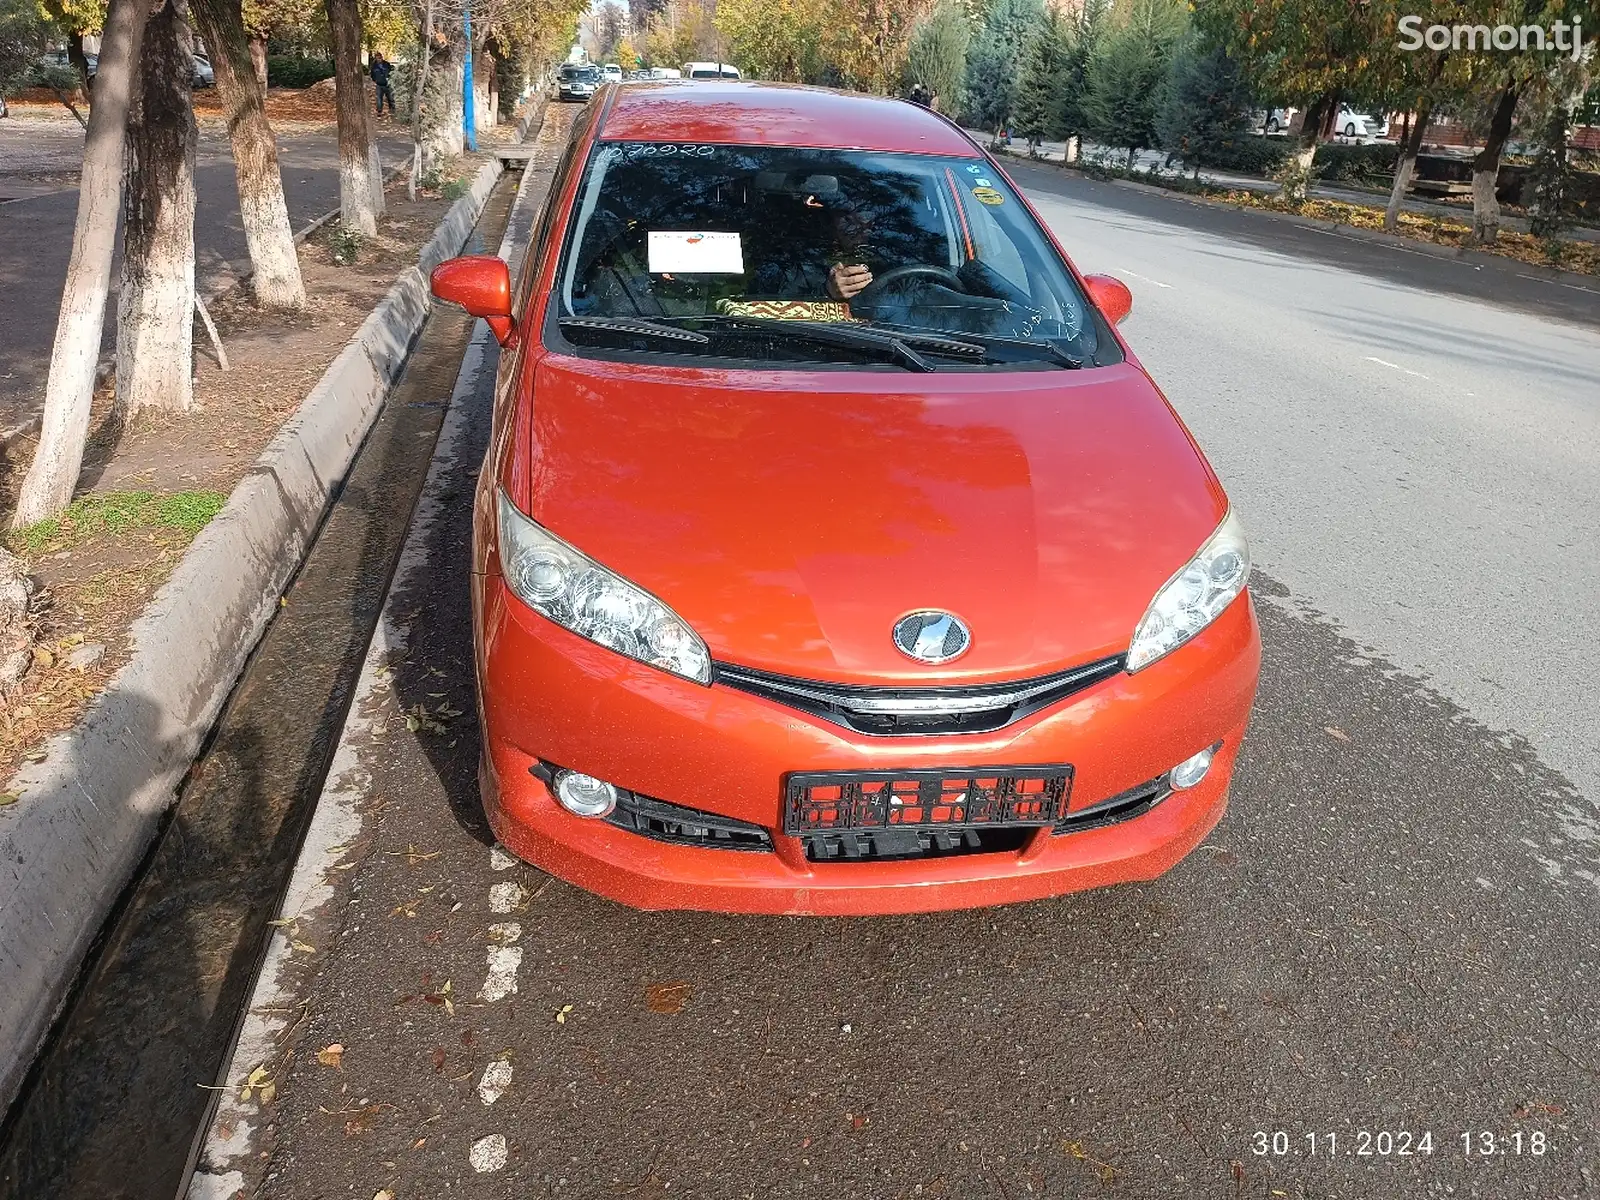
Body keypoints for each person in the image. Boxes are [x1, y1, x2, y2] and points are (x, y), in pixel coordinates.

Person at [370, 52, 395, 117]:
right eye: (377, 58)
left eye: (380, 57)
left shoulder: (387, 64)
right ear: (375, 58)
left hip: (388, 84)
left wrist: (390, 79)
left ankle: (392, 109)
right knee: (379, 99)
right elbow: (372, 75)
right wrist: (375, 80)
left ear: (382, 57)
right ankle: (379, 111)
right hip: (379, 85)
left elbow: (392, 72)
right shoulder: (374, 66)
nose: (379, 59)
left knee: (390, 97)